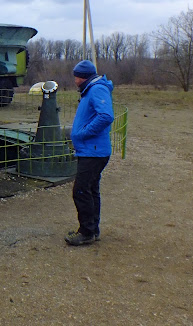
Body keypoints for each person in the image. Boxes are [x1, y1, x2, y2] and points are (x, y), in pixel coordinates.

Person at [65, 59, 114, 246]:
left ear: (82, 77)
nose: (75, 80)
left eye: (76, 76)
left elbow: (106, 116)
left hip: (93, 151)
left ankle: (86, 232)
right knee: (91, 189)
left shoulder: (96, 89)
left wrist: (83, 133)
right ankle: (93, 229)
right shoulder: (90, 90)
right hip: (90, 150)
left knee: (81, 190)